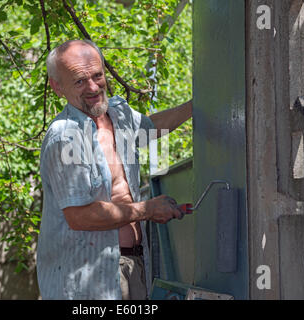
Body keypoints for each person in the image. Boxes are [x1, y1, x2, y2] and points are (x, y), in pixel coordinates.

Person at [37, 39, 192, 300]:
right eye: (79, 81)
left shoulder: (118, 113)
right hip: (89, 280)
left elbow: (151, 129)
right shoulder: (65, 137)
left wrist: (197, 107)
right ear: (57, 87)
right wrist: (148, 209)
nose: (93, 87)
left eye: (97, 75)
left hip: (134, 264)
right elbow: (80, 216)